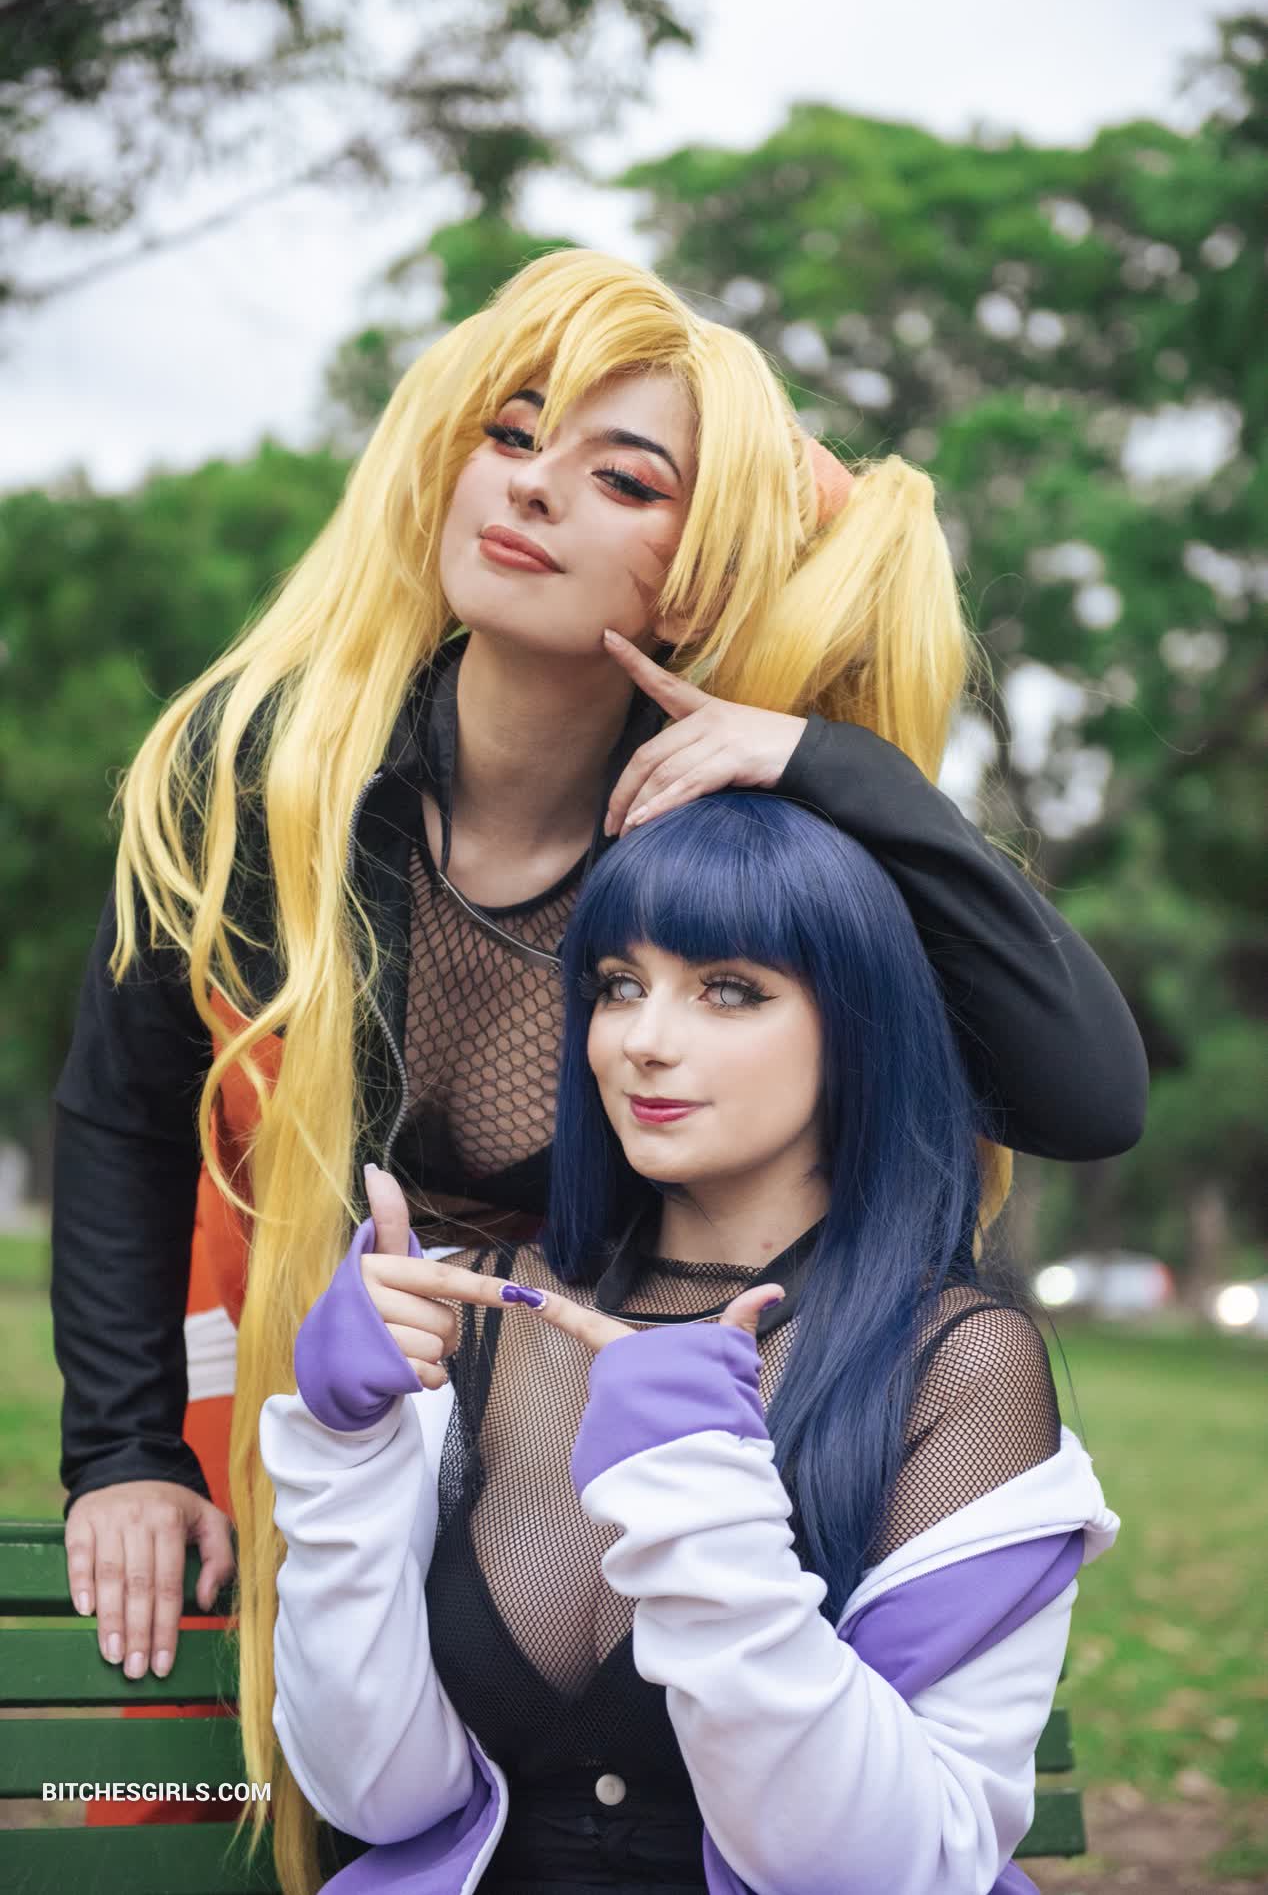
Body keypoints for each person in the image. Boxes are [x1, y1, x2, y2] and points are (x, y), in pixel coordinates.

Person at [48, 247, 1146, 1858]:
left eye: (623, 479)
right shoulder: (270, 767)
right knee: (234, 1818)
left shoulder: (729, 838)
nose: (533, 487)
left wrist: (832, 765)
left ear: (695, 579)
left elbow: (1086, 1091)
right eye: (510, 435)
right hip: (349, 1385)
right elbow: (124, 1115)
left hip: (621, 1416)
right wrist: (122, 1454)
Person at [262, 790, 1121, 1895]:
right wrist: (349, 1448)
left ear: (856, 1024)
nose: (643, 1040)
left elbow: (894, 1866)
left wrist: (701, 1496)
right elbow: (377, 1796)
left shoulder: (956, 1366)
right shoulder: (470, 1314)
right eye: (618, 985)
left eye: (728, 990)